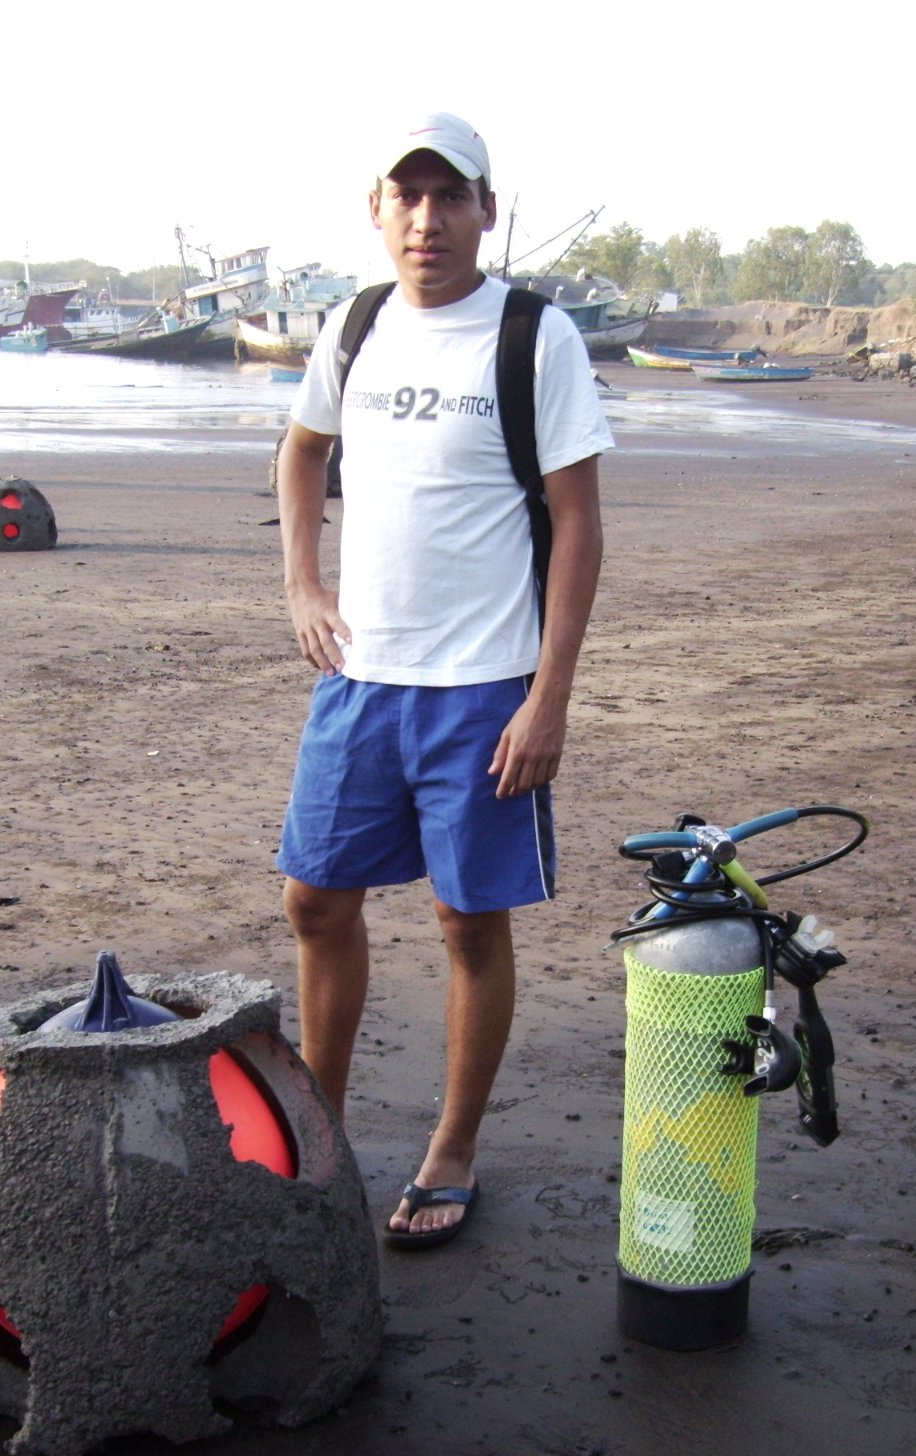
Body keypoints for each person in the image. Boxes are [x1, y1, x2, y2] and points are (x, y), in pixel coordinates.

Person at [275, 112, 612, 1249]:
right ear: (376, 210)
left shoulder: (532, 337)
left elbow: (576, 525)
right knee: (313, 898)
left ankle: (451, 1147)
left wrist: (548, 696)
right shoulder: (354, 323)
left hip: (483, 688)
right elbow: (301, 449)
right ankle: (316, 1138)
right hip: (361, 680)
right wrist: (301, 590)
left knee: (468, 924)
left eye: (449, 196)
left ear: (485, 209)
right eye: (404, 197)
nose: (427, 220)